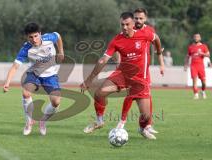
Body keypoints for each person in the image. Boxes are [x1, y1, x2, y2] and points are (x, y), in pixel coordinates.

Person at [80, 12, 164, 140]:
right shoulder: (117, 40)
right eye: (122, 24)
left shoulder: (145, 34)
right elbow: (103, 60)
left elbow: (156, 38)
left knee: (146, 116)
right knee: (99, 93)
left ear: (133, 24)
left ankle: (142, 128)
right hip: (122, 75)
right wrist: (89, 80)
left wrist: (158, 52)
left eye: (127, 24)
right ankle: (99, 121)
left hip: (140, 79)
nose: (124, 27)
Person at [3, 22, 65, 135]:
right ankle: (29, 121)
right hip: (34, 74)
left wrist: (61, 52)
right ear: (27, 37)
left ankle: (42, 121)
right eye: (31, 37)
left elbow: (58, 35)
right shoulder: (26, 48)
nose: (34, 39)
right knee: (26, 93)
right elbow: (14, 67)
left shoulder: (49, 38)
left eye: (36, 36)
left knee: (56, 102)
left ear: (40, 34)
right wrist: (7, 83)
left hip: (50, 75)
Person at [118, 8, 162, 135]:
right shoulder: (129, 31)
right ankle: (125, 124)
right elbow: (120, 48)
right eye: (136, 18)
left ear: (145, 19)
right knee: (134, 95)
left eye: (140, 18)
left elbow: (156, 43)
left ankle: (146, 125)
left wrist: (161, 62)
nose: (138, 20)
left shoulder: (149, 31)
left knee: (147, 96)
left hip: (144, 70)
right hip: (132, 71)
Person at [184, 33, 210, 99]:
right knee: (194, 80)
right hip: (193, 66)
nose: (196, 38)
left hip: (201, 66)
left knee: (203, 82)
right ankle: (196, 94)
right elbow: (187, 56)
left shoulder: (204, 46)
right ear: (193, 38)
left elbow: (208, 55)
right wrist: (186, 65)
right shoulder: (191, 47)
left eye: (197, 37)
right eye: (195, 37)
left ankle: (203, 91)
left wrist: (202, 53)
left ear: (200, 38)